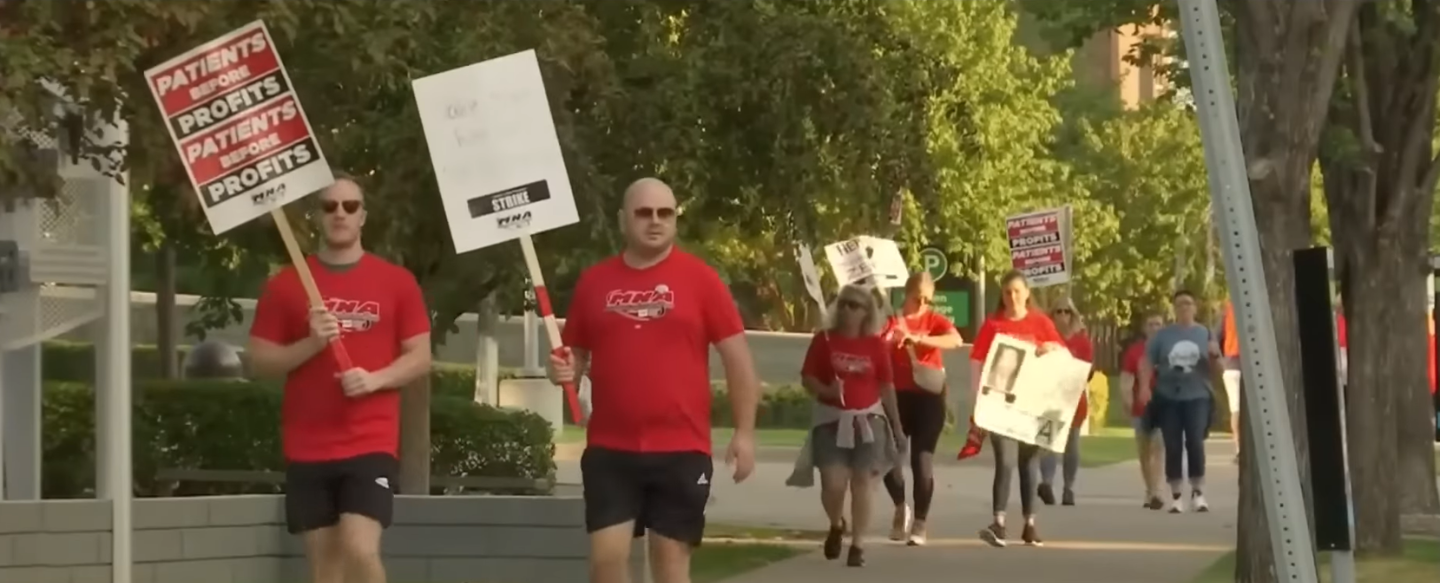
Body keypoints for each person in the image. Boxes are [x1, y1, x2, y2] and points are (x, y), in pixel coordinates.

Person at [548, 177, 761, 583]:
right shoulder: (594, 282)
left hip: (682, 448)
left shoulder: (701, 280)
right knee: (606, 565)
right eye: (643, 213)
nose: (655, 221)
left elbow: (738, 360)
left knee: (670, 566)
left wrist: (745, 432)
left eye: (665, 213)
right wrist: (562, 369)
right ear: (623, 220)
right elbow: (573, 357)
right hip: (611, 449)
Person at [249, 173, 434, 583]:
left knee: (359, 548)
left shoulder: (396, 282)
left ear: (363, 216)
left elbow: (420, 357)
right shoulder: (286, 285)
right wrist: (311, 345)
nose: (340, 214)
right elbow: (260, 361)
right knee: (325, 569)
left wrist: (376, 379)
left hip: (370, 443)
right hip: (308, 445)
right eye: (330, 206)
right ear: (317, 215)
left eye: (350, 206)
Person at [797, 284, 905, 567]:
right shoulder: (824, 340)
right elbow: (807, 378)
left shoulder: (876, 346)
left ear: (866, 312)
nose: (847, 309)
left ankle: (858, 545)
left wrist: (896, 426)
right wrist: (827, 390)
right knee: (832, 484)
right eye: (843, 303)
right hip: (831, 422)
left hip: (869, 422)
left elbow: (887, 387)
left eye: (854, 305)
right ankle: (836, 523)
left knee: (862, 485)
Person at [970, 270, 1067, 548]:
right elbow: (977, 360)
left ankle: (1030, 524)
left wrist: (1051, 348)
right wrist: (979, 398)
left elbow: (1064, 358)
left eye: (1016, 291)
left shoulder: (1041, 322)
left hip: (1033, 405)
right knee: (1005, 460)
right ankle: (998, 523)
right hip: (1001, 402)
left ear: (1026, 293)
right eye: (1006, 292)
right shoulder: (993, 325)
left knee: (1029, 462)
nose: (1011, 297)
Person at [880, 273, 963, 546]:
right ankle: (900, 506)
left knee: (921, 460)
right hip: (897, 397)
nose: (922, 304)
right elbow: (876, 349)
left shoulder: (933, 320)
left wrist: (920, 339)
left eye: (928, 299)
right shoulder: (890, 320)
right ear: (907, 293)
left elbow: (955, 340)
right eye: (918, 298)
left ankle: (920, 523)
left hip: (929, 397)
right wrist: (892, 342)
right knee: (888, 457)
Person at [1139, 290, 1219, 514]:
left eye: (1188, 303)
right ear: (1174, 310)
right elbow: (1147, 362)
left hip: (1198, 395)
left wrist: (1214, 356)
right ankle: (1175, 494)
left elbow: (1216, 370)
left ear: (1195, 308)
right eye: (1180, 304)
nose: (1184, 308)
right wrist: (1145, 387)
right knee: (1172, 444)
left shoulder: (1204, 333)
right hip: (1168, 396)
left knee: (1194, 441)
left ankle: (1198, 492)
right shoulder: (1164, 336)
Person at [1039, 297, 1093, 506]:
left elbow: (1087, 370)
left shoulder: (1081, 341)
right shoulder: (1045, 338)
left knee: (1071, 444)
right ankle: (1047, 484)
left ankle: (1068, 487)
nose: (1062, 316)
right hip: (1049, 397)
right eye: (1058, 312)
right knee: (1049, 442)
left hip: (1073, 397)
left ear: (1073, 315)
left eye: (1066, 312)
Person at [1120, 313, 1166, 509]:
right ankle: (1149, 489)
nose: (1155, 327)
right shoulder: (1135, 352)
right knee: (1144, 451)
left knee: (1158, 445)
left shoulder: (1169, 351)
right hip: (1142, 408)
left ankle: (1156, 491)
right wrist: (1128, 402)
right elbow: (1125, 380)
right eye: (1151, 324)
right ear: (1145, 328)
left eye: (1158, 324)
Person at [1219, 302, 1242, 464]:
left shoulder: (1228, 309)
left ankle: (1239, 449)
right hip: (1246, 363)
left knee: (1235, 409)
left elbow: (1214, 335)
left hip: (1230, 363)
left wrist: (1221, 360)